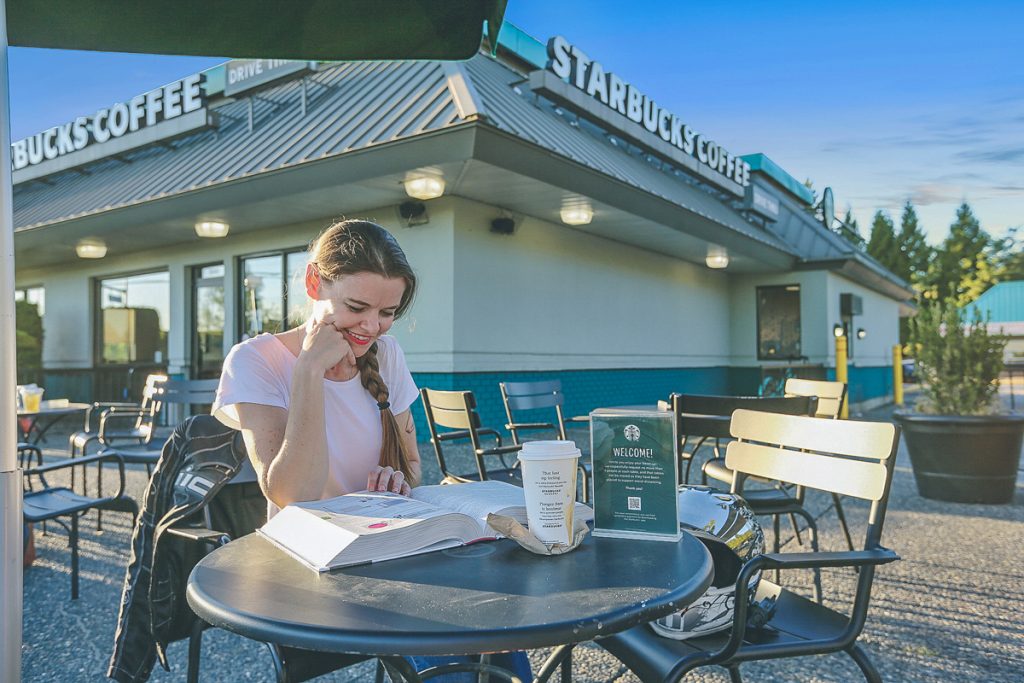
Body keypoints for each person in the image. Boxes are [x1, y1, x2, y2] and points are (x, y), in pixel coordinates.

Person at [212, 218, 532, 682]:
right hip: (309, 570)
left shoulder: (389, 354)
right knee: (451, 635)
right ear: (313, 283)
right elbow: (290, 494)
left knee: (497, 622)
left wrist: (398, 482)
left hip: (393, 549)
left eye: (387, 313)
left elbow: (414, 467)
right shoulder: (255, 361)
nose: (370, 328)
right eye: (356, 307)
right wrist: (309, 374)